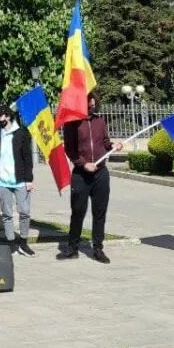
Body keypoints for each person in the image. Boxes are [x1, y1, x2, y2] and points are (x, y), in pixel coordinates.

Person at [58, 92, 122, 263]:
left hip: (101, 173)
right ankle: (72, 247)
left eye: (94, 104)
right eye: (89, 104)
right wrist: (83, 163)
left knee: (99, 212)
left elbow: (105, 143)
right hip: (81, 174)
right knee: (78, 212)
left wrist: (114, 146)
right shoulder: (72, 124)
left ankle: (98, 248)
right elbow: (69, 150)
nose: (92, 106)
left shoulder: (100, 121)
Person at [0, 104, 36, 257]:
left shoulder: (21, 133)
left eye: (0, 117)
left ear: (7, 116)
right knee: (7, 214)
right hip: (2, 181)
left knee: (25, 212)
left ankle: (23, 243)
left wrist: (29, 179)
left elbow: (28, 158)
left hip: (20, 180)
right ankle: (11, 243)